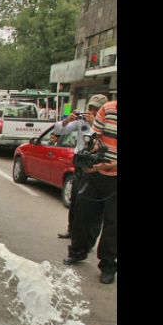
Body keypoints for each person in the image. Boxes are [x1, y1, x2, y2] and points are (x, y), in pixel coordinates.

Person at [63, 99, 117, 284]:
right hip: (95, 174)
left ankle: (108, 265)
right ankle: (78, 251)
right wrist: (92, 150)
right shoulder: (108, 109)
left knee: (113, 224)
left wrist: (113, 164)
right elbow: (95, 135)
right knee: (83, 213)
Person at [52, 94, 108, 240]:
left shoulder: (107, 124)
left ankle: (86, 237)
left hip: (96, 166)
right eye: (91, 108)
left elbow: (102, 142)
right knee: (75, 198)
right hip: (79, 163)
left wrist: (95, 123)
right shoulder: (81, 121)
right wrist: (67, 120)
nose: (92, 111)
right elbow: (60, 130)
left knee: (90, 204)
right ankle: (71, 230)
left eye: (96, 109)